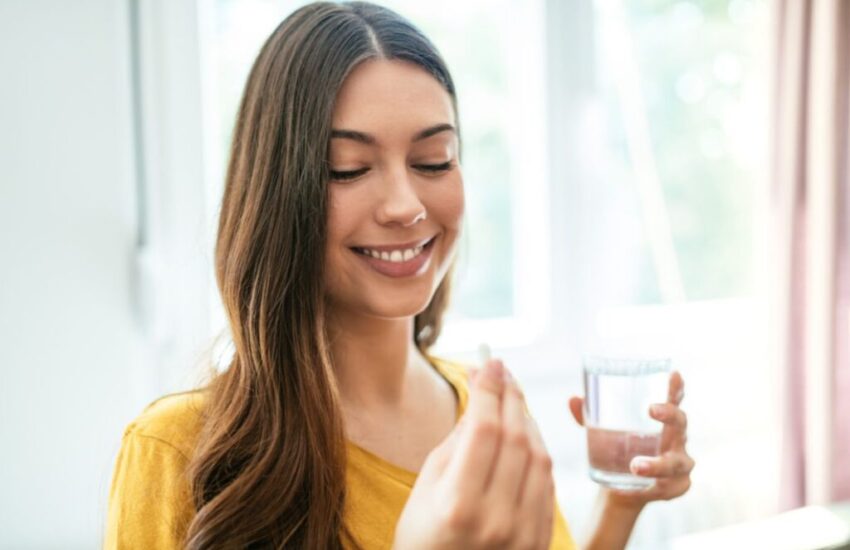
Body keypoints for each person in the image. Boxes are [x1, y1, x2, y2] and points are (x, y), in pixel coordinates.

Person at [104, 2, 694, 549]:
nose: (405, 205)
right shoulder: (176, 452)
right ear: (277, 195)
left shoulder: (486, 417)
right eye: (349, 169)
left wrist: (620, 504)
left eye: (433, 160)